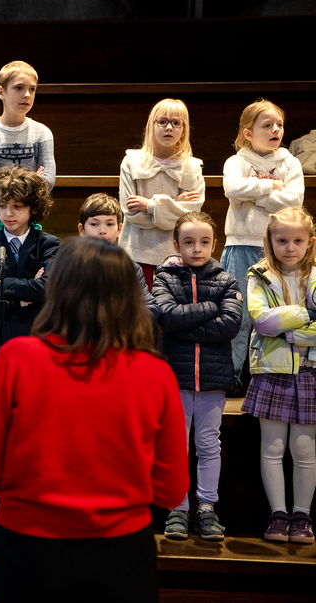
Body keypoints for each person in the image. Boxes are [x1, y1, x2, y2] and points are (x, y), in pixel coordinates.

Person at [0, 236, 189, 603]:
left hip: (27, 549)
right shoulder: (155, 372)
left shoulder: (17, 358)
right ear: (129, 297)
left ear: (58, 290)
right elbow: (172, 490)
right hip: (121, 555)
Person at [153, 211, 242, 542]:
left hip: (213, 380)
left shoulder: (227, 281)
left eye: (204, 242)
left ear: (214, 244)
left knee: (208, 444)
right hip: (175, 378)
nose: (197, 248)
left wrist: (183, 323)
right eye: (189, 242)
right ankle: (177, 507)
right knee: (177, 445)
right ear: (176, 245)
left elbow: (229, 325)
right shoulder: (165, 278)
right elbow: (166, 316)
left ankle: (206, 507)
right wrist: (210, 309)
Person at [242, 207, 316, 544]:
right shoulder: (258, 274)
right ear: (269, 240)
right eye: (282, 240)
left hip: (309, 370)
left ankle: (302, 516)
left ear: (310, 242)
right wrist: (307, 313)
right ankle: (277, 514)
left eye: (297, 241)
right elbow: (263, 321)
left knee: (304, 450)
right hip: (272, 370)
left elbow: (277, 323)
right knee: (272, 447)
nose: (289, 247)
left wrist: (294, 332)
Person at [222, 99, 304, 386]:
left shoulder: (289, 162)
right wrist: (271, 186)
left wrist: (255, 196)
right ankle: (231, 377)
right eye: (267, 125)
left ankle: (272, 376)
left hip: (279, 248)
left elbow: (294, 199)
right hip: (241, 245)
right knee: (239, 314)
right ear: (248, 132)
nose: (275, 130)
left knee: (275, 314)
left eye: (279, 125)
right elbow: (232, 187)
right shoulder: (237, 161)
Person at [0, 166, 59, 384]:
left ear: (33, 208)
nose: (8, 213)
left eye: (17, 206)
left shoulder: (48, 244)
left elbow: (45, 289)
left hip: (34, 340)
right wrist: (22, 299)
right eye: (2, 206)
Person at [117, 98, 204, 288]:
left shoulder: (192, 167)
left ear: (183, 129)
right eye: (162, 121)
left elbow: (191, 217)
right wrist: (175, 204)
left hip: (177, 256)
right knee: (138, 306)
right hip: (136, 253)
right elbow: (132, 213)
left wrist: (150, 205)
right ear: (152, 125)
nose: (169, 127)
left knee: (173, 306)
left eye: (176, 122)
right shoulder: (132, 162)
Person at [0, 60, 55, 235]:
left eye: (32, 89)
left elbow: (48, 181)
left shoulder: (43, 133)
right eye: (19, 88)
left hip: (29, 215)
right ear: (1, 92)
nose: (27, 95)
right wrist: (33, 180)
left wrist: (8, 192)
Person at [77, 192, 157, 318]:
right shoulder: (70, 267)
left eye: (109, 224)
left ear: (119, 229)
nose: (102, 231)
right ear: (82, 230)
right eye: (94, 224)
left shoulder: (131, 269)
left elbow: (150, 309)